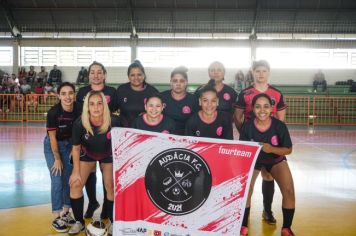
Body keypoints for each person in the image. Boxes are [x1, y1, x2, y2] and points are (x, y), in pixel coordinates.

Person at [234, 60, 287, 226]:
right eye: (258, 71)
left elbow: (281, 120)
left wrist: (275, 142)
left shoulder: (277, 93)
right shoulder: (245, 93)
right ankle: (244, 220)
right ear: (253, 72)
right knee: (248, 180)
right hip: (251, 142)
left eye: (264, 71)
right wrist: (245, 133)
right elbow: (238, 117)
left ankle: (267, 210)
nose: (261, 74)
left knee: (268, 175)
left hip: (270, 142)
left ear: (269, 72)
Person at [239, 93, 295, 236]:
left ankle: (286, 228)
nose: (262, 110)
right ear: (252, 109)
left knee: (288, 190)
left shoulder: (279, 126)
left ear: (272, 109)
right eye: (258, 107)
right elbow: (242, 150)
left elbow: (288, 149)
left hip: (275, 159)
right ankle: (243, 226)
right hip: (254, 160)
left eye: (266, 106)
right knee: (246, 190)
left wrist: (271, 149)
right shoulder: (247, 127)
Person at [68, 91, 121, 235]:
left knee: (110, 186)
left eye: (99, 103)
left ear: (104, 105)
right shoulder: (80, 123)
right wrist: (75, 171)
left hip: (108, 155)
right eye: (92, 104)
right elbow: (76, 148)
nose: (96, 107)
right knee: (75, 183)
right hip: (87, 155)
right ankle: (79, 222)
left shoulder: (115, 121)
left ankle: (113, 222)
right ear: (87, 107)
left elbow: (122, 145)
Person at [76, 61, 117, 220]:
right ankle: (93, 202)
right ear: (88, 75)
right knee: (89, 172)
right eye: (92, 72)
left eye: (99, 72)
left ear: (104, 74)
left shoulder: (112, 92)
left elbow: (117, 114)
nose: (96, 75)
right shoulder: (82, 92)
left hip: (107, 140)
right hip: (87, 141)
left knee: (108, 178)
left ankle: (107, 209)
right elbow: (79, 117)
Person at [43, 82, 80, 232]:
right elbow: (52, 138)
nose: (67, 97)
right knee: (57, 178)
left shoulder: (79, 109)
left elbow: (79, 132)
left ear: (74, 95)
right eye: (63, 94)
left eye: (70, 93)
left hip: (70, 145)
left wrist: (73, 149)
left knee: (68, 178)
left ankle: (66, 211)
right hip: (54, 146)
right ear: (58, 96)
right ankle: (56, 216)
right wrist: (57, 158)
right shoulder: (54, 113)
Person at [115, 60, 158, 127]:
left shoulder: (152, 91)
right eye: (132, 75)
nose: (136, 78)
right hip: (125, 129)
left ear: (144, 75)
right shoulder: (121, 90)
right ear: (128, 77)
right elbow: (113, 108)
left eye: (139, 74)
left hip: (146, 129)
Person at [161, 66, 199, 135]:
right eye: (175, 81)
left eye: (181, 81)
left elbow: (197, 122)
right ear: (171, 82)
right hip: (164, 135)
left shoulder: (193, 99)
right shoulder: (161, 97)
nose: (178, 84)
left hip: (186, 136)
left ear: (186, 83)